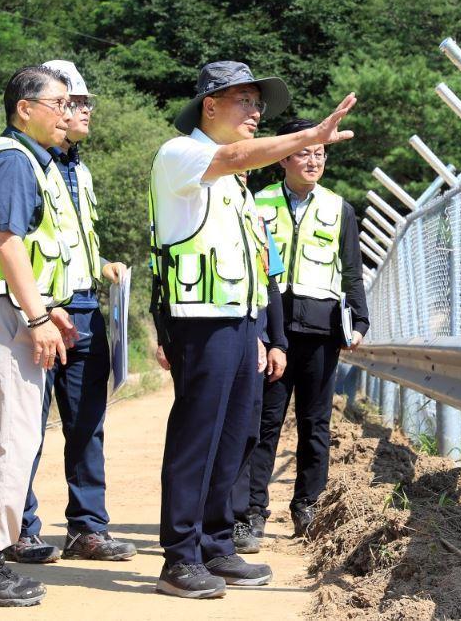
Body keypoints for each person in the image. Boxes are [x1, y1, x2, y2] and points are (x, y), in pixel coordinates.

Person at [149, 59, 355, 599]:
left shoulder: (236, 182)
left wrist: (267, 333)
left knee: (237, 436)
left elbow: (255, 262)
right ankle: (180, 556)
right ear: (209, 106)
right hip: (200, 322)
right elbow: (234, 155)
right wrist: (308, 136)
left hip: (239, 323)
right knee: (199, 435)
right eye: (245, 100)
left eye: (258, 103)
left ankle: (217, 544)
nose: (257, 110)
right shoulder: (183, 155)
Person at [0, 65, 79, 607]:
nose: (68, 114)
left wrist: (46, 306)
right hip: (5, 317)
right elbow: (7, 242)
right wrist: (36, 317)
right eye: (59, 103)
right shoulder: (14, 159)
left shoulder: (16, 159)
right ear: (24, 108)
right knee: (14, 438)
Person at [5, 60, 135, 564]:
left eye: (80, 103)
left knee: (88, 422)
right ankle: (20, 526)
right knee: (27, 426)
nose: (81, 111)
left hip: (84, 307)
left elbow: (65, 241)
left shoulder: (78, 168)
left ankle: (87, 528)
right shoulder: (28, 163)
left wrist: (102, 265)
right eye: (72, 102)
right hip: (40, 311)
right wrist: (38, 311)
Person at [234, 118, 369, 553]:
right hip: (273, 328)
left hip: (321, 329)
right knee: (264, 423)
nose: (313, 161)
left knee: (315, 423)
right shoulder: (258, 203)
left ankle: (307, 505)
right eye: (304, 152)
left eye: (319, 154)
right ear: (284, 158)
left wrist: (359, 321)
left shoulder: (338, 208)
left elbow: (351, 269)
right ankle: (252, 512)